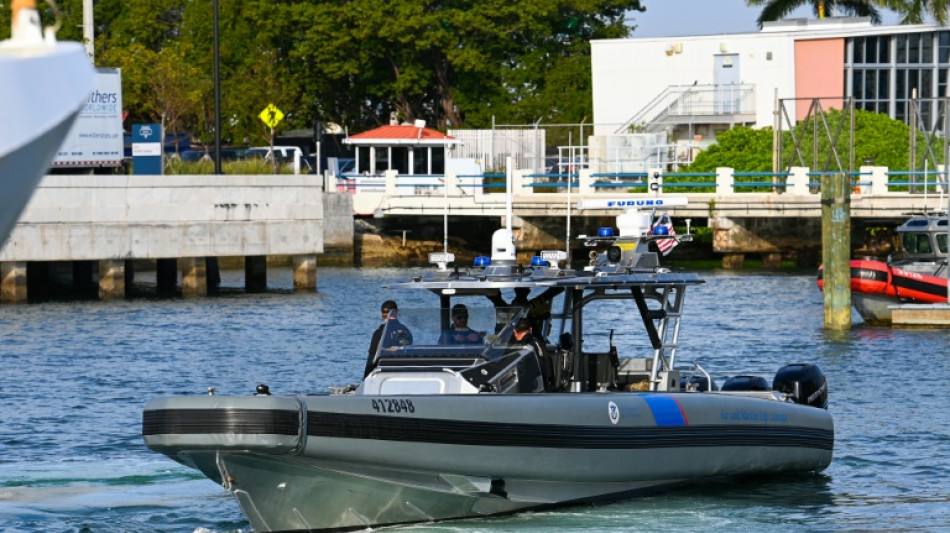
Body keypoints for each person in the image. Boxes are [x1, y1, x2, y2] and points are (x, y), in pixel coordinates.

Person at [364, 300, 413, 377]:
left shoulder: (379, 333)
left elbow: (371, 359)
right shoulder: (403, 331)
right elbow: (406, 349)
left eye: (387, 312)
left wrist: (365, 378)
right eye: (385, 312)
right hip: (402, 372)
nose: (386, 315)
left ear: (381, 314)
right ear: (397, 312)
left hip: (382, 373)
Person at [509, 318, 555, 391]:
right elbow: (547, 367)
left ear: (514, 331)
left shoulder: (511, 349)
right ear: (530, 329)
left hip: (520, 390)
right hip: (540, 389)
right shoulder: (538, 344)